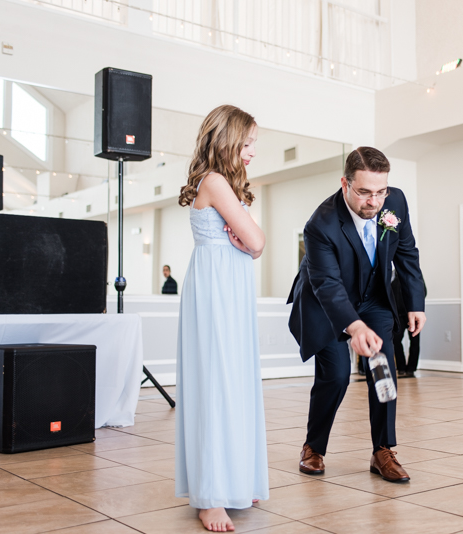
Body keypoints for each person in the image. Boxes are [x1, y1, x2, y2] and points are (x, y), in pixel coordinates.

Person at [287, 147, 426, 483]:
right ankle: (313, 447)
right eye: (364, 192)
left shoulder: (396, 202)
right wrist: (354, 325)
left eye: (380, 192)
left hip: (373, 298)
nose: (374, 202)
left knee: (383, 369)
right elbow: (327, 284)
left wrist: (415, 302)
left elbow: (406, 254)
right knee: (335, 377)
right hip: (327, 303)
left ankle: (383, 451)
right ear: (345, 184)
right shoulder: (320, 224)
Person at [175, 105, 268, 532]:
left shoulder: (221, 184)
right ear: (228, 140)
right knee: (217, 381)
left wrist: (248, 242)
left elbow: (251, 243)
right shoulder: (214, 181)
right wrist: (249, 240)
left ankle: (231, 478)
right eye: (247, 143)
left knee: (233, 380)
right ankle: (210, 496)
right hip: (217, 291)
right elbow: (256, 240)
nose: (252, 151)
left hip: (225, 286)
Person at [392, 271, 425, 378]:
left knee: (415, 341)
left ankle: (411, 368)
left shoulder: (414, 275)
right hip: (399, 316)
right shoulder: (392, 276)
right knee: (396, 341)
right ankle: (401, 367)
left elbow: (423, 291)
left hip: (412, 314)